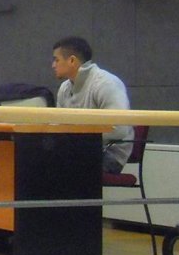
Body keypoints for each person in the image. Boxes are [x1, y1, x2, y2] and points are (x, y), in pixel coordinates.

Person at [51, 36, 132, 173]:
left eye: (56, 60)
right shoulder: (64, 88)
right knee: (38, 159)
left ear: (72, 60)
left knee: (55, 169)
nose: (53, 65)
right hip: (77, 152)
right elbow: (58, 126)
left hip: (109, 154)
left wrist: (76, 139)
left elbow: (119, 128)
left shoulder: (106, 83)